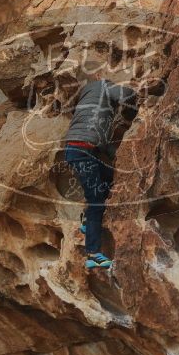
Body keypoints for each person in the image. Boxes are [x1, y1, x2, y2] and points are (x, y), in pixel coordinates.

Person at [63, 72, 141, 269]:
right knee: (96, 200)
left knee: (109, 178)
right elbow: (125, 95)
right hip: (82, 150)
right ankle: (93, 254)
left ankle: (88, 222)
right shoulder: (104, 86)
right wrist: (139, 92)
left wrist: (116, 153)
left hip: (77, 149)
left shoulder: (86, 94)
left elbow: (98, 133)